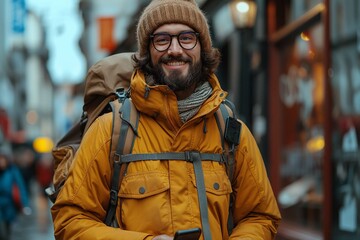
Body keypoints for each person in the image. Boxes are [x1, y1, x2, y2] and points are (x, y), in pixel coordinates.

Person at [51, 0, 281, 239]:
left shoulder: (231, 131)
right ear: (147, 53)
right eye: (162, 40)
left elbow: (260, 215)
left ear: (202, 48)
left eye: (187, 38)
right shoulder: (111, 131)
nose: (175, 49)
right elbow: (70, 221)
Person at [0, 137, 31, 239]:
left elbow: (21, 187)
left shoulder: (13, 171)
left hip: (10, 205)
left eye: (2, 159)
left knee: (7, 231)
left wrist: (25, 204)